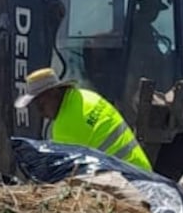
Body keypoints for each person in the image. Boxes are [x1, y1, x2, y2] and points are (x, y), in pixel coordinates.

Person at [16, 67, 152, 171]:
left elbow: (67, 175)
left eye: (41, 104)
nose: (40, 112)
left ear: (54, 93)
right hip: (140, 169)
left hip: (127, 181)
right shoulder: (86, 96)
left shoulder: (65, 126)